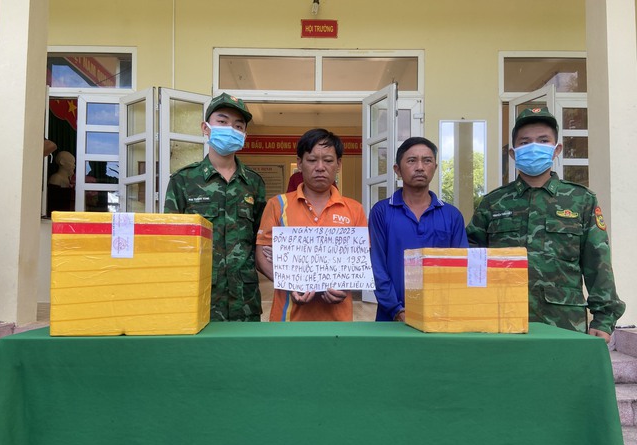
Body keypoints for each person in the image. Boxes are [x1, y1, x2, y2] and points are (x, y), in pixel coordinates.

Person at [466, 107, 625, 342]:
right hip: (502, 320)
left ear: (556, 149)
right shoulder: (493, 203)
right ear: (513, 153)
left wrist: (604, 318)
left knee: (563, 379)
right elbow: (471, 259)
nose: (533, 147)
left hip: (564, 322)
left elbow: (597, 261)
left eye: (543, 141)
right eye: (525, 142)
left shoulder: (581, 200)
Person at [164, 93, 266, 322]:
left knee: (244, 357)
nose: (230, 129)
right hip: (198, 297)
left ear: (244, 135)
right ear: (206, 127)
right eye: (222, 122)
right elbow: (171, 242)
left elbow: (261, 240)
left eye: (238, 125)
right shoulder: (183, 180)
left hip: (244, 301)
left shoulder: (253, 183)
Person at [256, 128, 366, 321]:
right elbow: (262, 256)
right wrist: (291, 282)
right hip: (288, 319)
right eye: (312, 160)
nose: (320, 167)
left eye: (328, 160)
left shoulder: (354, 209)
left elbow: (359, 262)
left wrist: (343, 286)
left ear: (338, 164)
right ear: (299, 163)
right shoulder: (277, 205)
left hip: (339, 322)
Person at [369, 137, 468, 322]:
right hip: (391, 318)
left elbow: (461, 267)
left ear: (435, 168)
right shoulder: (381, 212)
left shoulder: (452, 215)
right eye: (412, 160)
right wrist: (397, 310)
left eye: (427, 160)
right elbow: (377, 267)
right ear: (397, 170)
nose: (420, 167)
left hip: (441, 316)